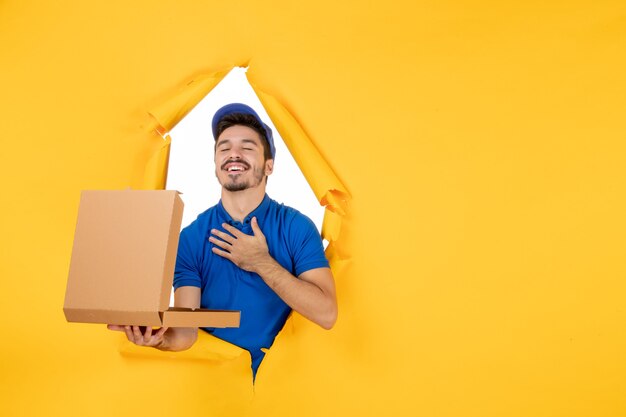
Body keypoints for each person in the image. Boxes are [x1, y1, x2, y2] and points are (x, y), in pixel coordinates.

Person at [108, 103, 337, 378]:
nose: (234, 154)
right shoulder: (191, 239)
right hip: (219, 387)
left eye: (248, 147)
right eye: (224, 148)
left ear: (269, 165)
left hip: (286, 384)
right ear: (216, 165)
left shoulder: (296, 227)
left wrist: (261, 262)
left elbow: (327, 314)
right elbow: (185, 330)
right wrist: (160, 340)